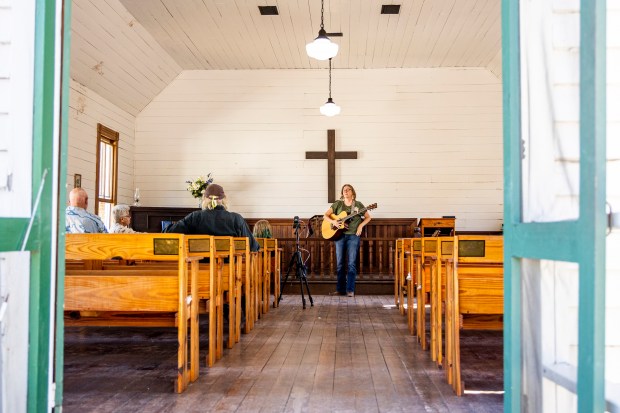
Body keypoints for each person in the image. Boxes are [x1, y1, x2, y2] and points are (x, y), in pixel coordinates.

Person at [164, 183, 260, 252]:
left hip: (198, 269)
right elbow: (253, 246)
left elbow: (169, 233)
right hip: (230, 270)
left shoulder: (195, 217)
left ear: (205, 199)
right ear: (223, 200)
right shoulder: (236, 218)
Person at [323, 184, 372, 297]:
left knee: (351, 263)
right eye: (344, 190)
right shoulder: (338, 204)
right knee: (340, 264)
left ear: (352, 193)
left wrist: (360, 226)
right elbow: (325, 215)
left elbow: (368, 217)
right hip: (339, 236)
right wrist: (334, 222)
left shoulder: (358, 205)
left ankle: (350, 290)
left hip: (353, 236)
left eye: (348, 189)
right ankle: (340, 290)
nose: (346, 191)